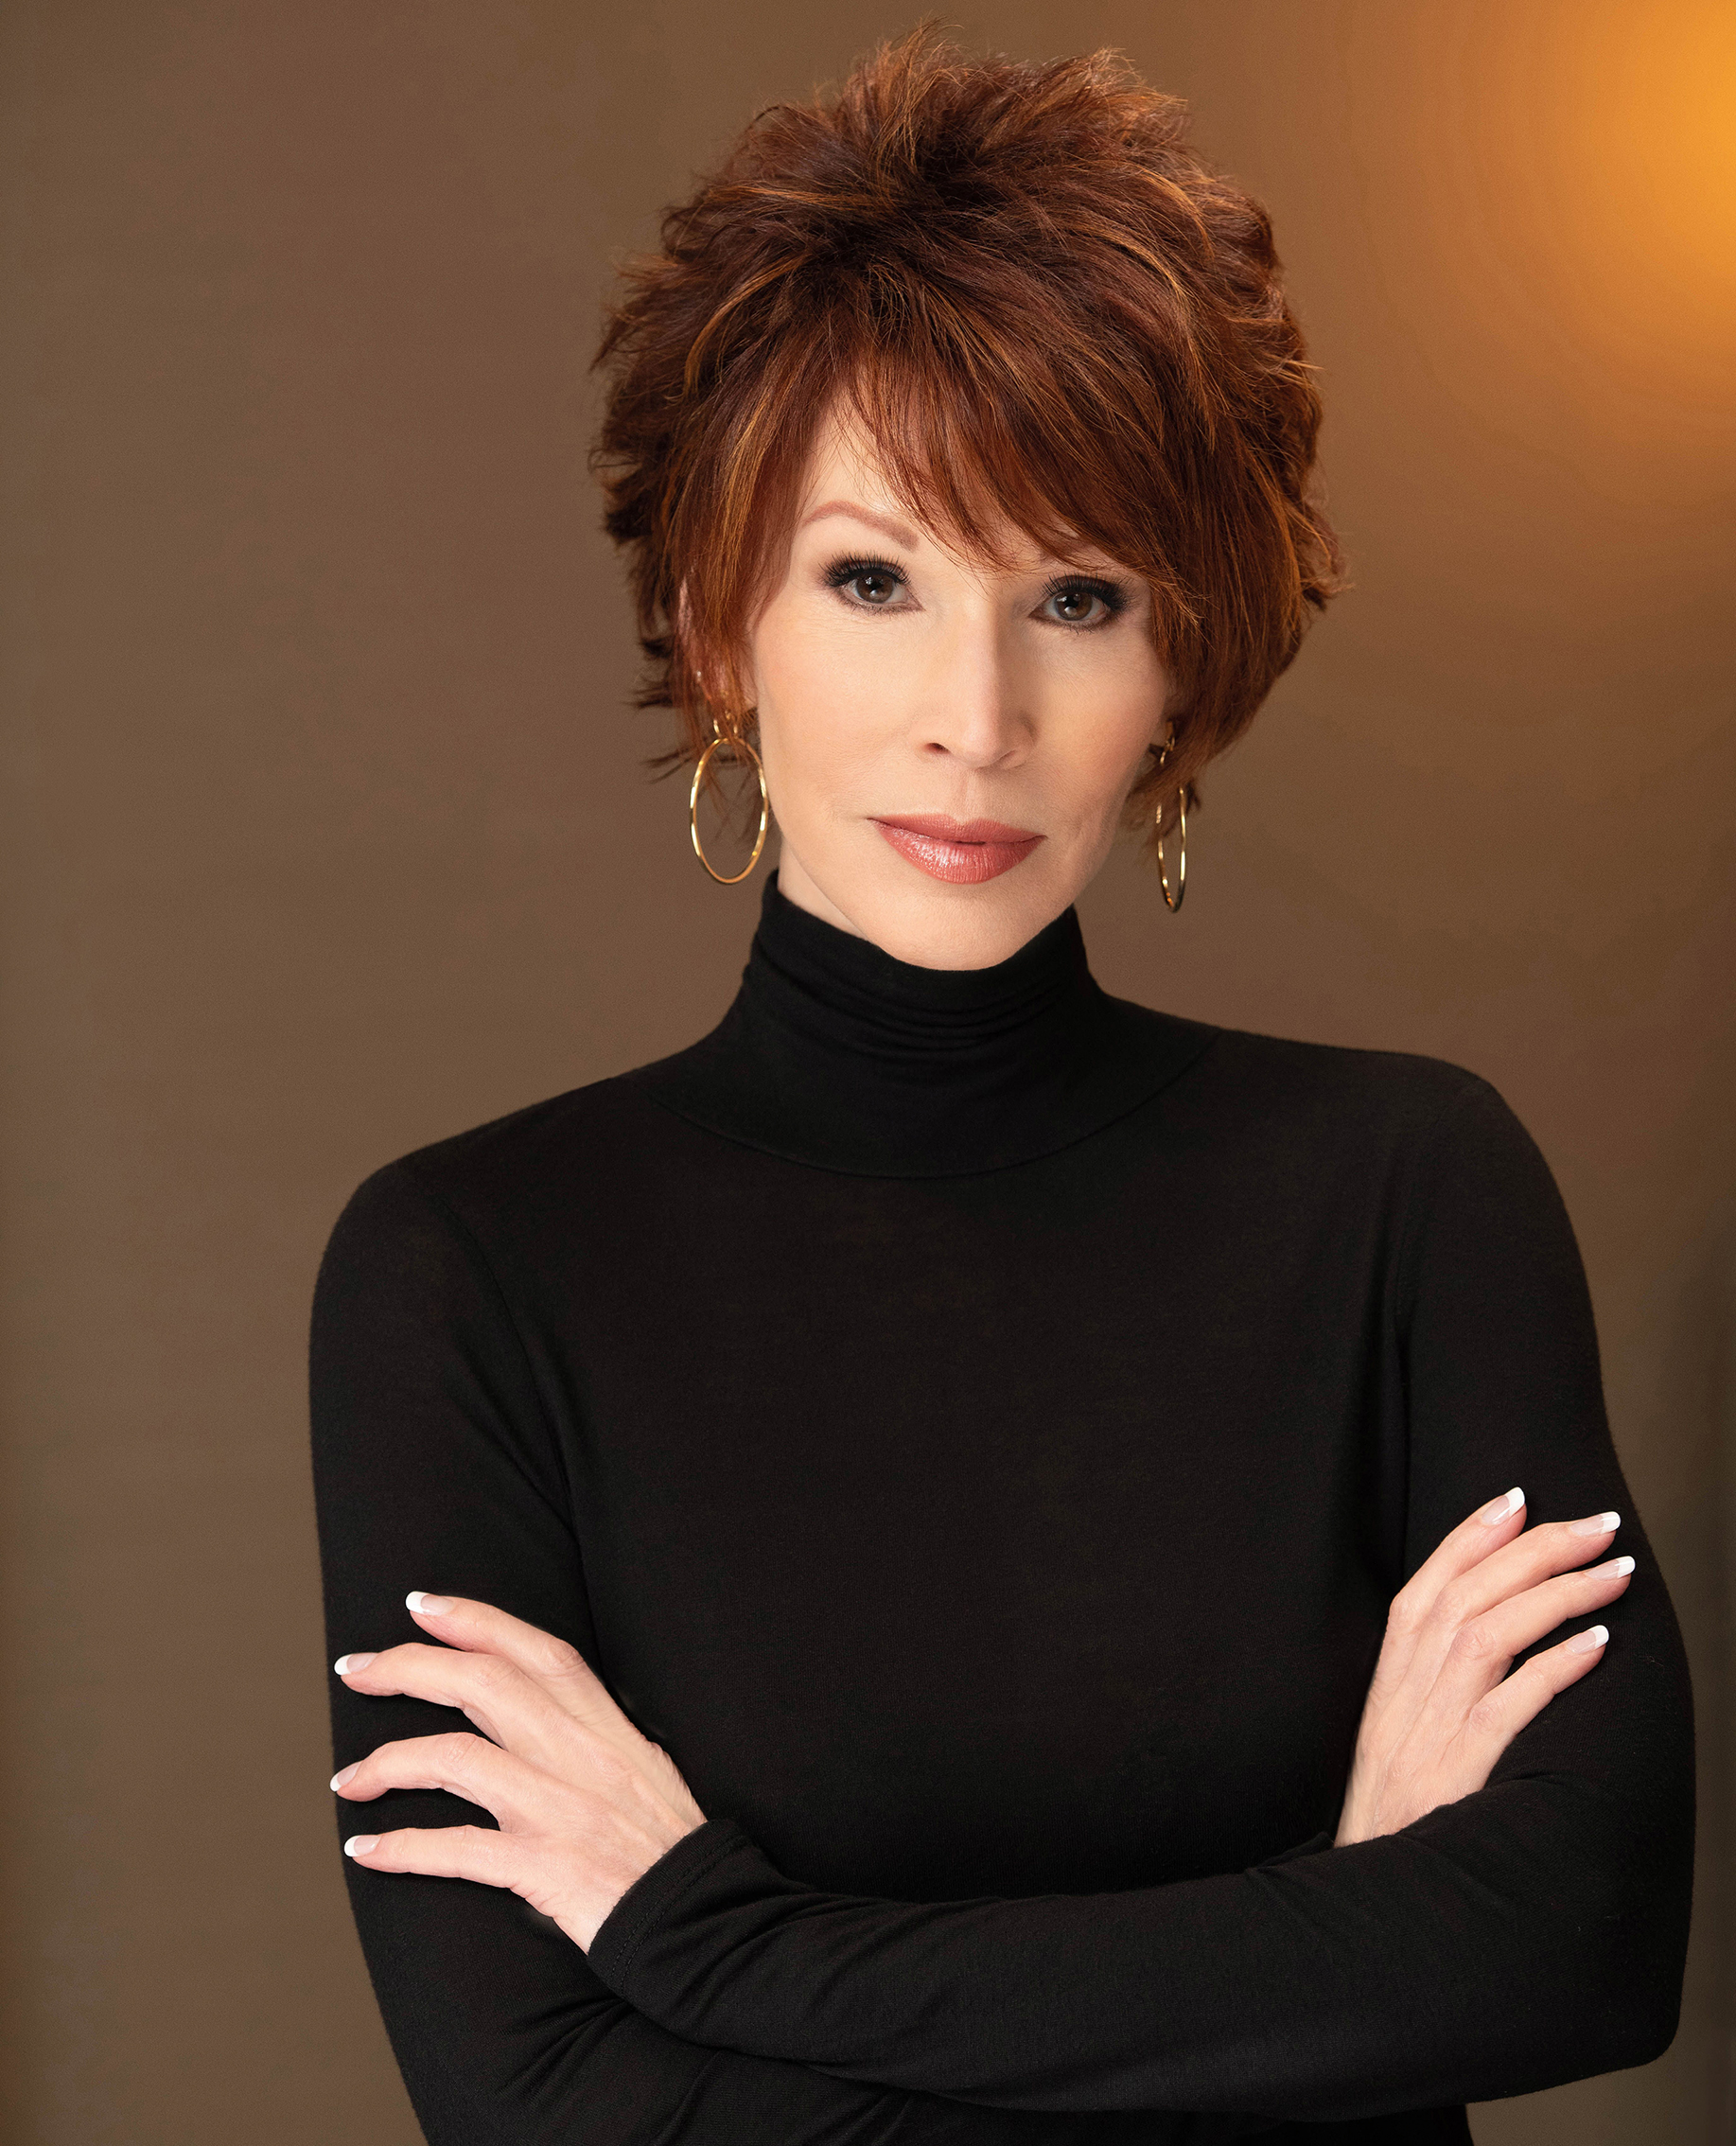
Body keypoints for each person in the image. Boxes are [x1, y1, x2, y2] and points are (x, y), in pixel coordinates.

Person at [309, 33, 1693, 2145]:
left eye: (1078, 597)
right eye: (874, 580)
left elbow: (1578, 1944)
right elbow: (537, 2096)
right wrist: (1334, 1957)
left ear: (1179, 671)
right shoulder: (471, 1266)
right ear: (719, 624)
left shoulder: (1409, 1191)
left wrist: (706, 1940)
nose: (979, 714)